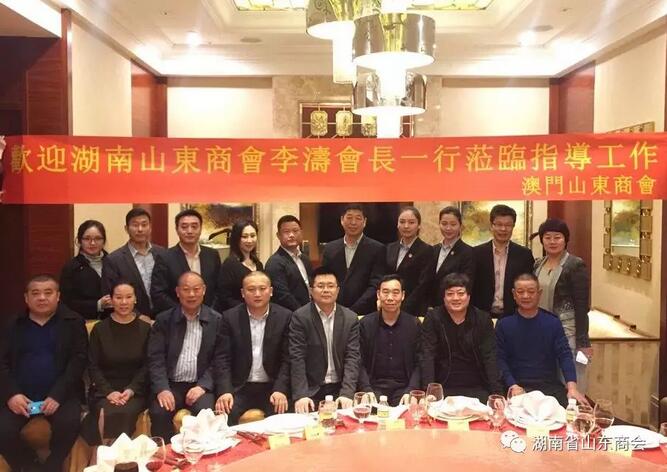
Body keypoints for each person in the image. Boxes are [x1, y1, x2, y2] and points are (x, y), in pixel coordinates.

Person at [0, 275, 87, 472]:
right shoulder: (12, 324)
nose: (42, 298)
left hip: (61, 395)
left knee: (69, 424)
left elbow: (78, 361)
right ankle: (29, 466)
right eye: (35, 293)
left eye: (48, 293)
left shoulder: (73, 322)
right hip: (20, 396)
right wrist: (12, 394)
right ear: (26, 298)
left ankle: (52, 466)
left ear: (58, 296)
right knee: (2, 430)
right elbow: (2, 363)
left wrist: (57, 395)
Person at [148, 272, 222, 441]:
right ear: (177, 292)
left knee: (205, 413)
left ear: (204, 290)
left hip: (200, 385)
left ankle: (200, 453)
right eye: (186, 289)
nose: (191, 294)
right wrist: (162, 388)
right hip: (171, 384)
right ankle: (166, 453)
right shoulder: (164, 320)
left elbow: (219, 359)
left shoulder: (216, 320)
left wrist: (203, 386)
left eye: (196, 289)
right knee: (159, 411)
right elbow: (155, 358)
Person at [495, 273, 588, 407]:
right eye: (520, 292)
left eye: (531, 291)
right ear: (514, 294)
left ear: (539, 293)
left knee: (572, 412)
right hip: (516, 388)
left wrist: (572, 387)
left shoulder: (553, 322)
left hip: (549, 387)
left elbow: (565, 355)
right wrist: (512, 385)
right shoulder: (504, 324)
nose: (526, 296)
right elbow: (500, 359)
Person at [215, 272, 292, 425]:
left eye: (262, 288)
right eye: (251, 289)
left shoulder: (285, 317)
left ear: (271, 291)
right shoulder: (230, 317)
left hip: (272, 386)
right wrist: (225, 391)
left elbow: (288, 359)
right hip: (240, 387)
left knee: (282, 421)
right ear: (243, 293)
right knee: (223, 417)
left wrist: (280, 389)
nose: (257, 294)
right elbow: (222, 358)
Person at [82, 282, 151, 444]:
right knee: (106, 411)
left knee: (125, 411)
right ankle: (104, 454)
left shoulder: (146, 329)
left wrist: (132, 389)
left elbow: (148, 365)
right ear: (111, 300)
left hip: (135, 390)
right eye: (118, 297)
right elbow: (92, 365)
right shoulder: (99, 329)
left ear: (135, 299)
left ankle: (120, 455)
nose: (124, 302)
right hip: (104, 389)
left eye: (128, 297)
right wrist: (109, 392)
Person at [420, 273, 502, 403]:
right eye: (450, 294)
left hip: (477, 386)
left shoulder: (482, 319)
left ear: (468, 296)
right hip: (443, 386)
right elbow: (427, 355)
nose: (455, 298)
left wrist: (497, 393)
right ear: (443, 297)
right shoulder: (433, 318)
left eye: (460, 293)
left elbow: (490, 357)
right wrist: (429, 390)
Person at [289, 266, 360, 413]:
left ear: (338, 290)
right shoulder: (300, 317)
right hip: (311, 390)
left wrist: (347, 393)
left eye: (330, 286)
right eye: (320, 286)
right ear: (311, 290)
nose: (326, 290)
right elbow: (297, 357)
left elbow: (352, 357)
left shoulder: (350, 318)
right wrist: (301, 395)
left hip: (340, 388)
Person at [533, 218, 592, 393]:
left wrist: (583, 341)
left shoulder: (575, 265)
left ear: (565, 240)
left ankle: (574, 408)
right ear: (542, 240)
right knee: (548, 379)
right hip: (542, 329)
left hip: (567, 331)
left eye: (557, 237)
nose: (552, 241)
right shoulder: (538, 264)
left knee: (570, 378)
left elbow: (582, 306)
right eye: (547, 237)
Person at [358, 275, 421, 406]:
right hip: (373, 388)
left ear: (403, 295)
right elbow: (358, 361)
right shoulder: (365, 324)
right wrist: (366, 389)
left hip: (404, 389)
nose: (390, 298)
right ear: (378, 294)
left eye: (395, 292)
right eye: (385, 292)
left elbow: (420, 362)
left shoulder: (414, 324)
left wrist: (411, 390)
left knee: (408, 413)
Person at [321, 204, 385, 315]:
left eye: (358, 218)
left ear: (365, 222)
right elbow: (325, 279)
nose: (353, 222)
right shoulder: (329, 249)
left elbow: (376, 284)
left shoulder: (377, 249)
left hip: (365, 312)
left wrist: (354, 310)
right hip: (334, 311)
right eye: (349, 217)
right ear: (342, 220)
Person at [151, 209, 220, 312]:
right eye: (184, 227)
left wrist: (209, 313)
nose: (189, 231)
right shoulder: (165, 257)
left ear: (201, 229)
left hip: (208, 316)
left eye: (194, 226)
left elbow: (219, 289)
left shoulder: (212, 255)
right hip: (176, 317)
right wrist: (183, 313)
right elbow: (158, 293)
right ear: (177, 229)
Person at [102, 207, 167, 319]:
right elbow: (111, 296)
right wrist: (138, 316)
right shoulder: (113, 260)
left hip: (163, 318)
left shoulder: (162, 253)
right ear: (126, 229)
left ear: (150, 227)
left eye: (144, 224)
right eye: (135, 225)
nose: (140, 229)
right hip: (131, 320)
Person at [472, 204, 535, 317]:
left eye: (508, 225)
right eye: (499, 224)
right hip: (481, 316)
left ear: (513, 226)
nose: (503, 229)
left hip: (514, 316)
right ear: (491, 226)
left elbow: (528, 286)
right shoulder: (476, 253)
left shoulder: (524, 255)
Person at [416, 206, 475, 313]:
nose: (448, 228)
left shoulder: (468, 252)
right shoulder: (433, 250)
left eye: (453, 224)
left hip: (454, 308)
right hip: (430, 309)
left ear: (460, 226)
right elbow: (425, 281)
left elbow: (466, 284)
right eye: (444, 224)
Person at [60, 220, 112, 319]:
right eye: (87, 238)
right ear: (80, 241)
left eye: (98, 238)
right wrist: (97, 305)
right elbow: (66, 302)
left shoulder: (114, 263)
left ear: (104, 241)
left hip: (114, 320)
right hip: (83, 321)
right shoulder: (71, 267)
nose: (92, 243)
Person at [384, 206, 431, 316]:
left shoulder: (427, 250)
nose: (406, 226)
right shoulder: (389, 248)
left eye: (411, 222)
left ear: (419, 225)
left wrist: (402, 307)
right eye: (402, 222)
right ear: (397, 224)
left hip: (414, 309)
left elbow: (423, 285)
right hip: (389, 305)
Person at [264, 215, 313, 311]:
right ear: (278, 235)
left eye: (295, 231)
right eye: (286, 232)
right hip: (289, 314)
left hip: (308, 311)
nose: (291, 235)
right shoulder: (274, 263)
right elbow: (282, 296)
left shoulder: (305, 259)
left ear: (301, 233)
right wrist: (302, 313)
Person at [216, 220, 263, 312]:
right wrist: (248, 309)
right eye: (244, 237)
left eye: (253, 236)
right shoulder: (230, 264)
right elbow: (224, 297)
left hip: (257, 313)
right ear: (236, 238)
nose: (249, 240)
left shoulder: (258, 264)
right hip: (237, 314)